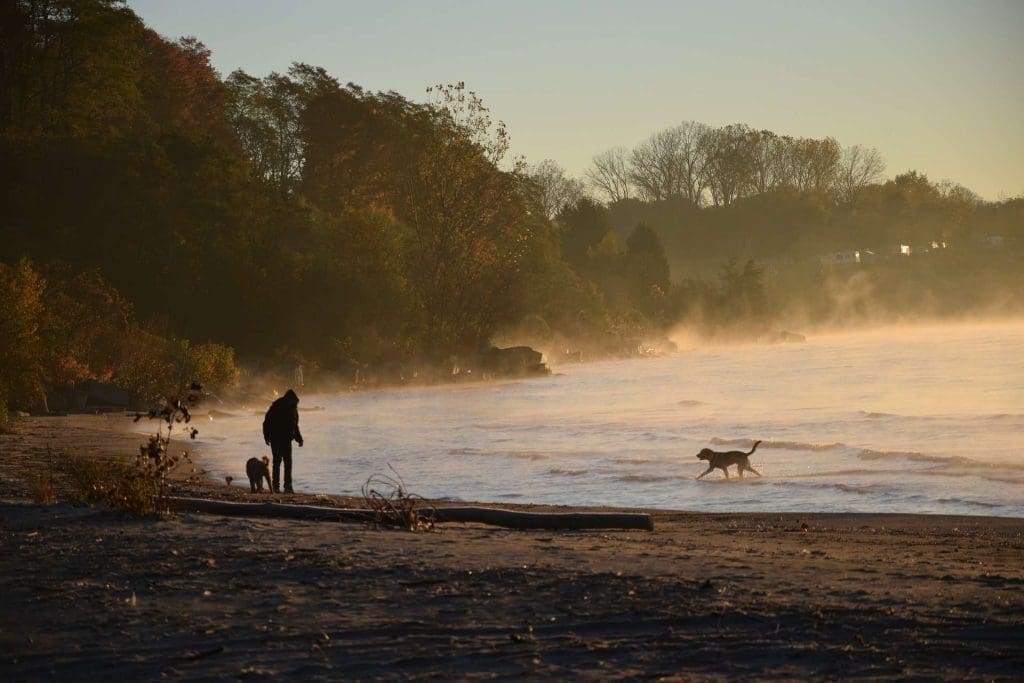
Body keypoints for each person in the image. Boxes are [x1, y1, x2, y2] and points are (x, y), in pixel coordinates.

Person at [262, 389, 303, 493]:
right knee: (278, 462)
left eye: (295, 403)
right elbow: (267, 421)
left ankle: (287, 486)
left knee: (287, 463)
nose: (295, 405)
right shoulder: (277, 405)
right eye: (294, 403)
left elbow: (295, 425)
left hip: (286, 439)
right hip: (276, 438)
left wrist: (299, 439)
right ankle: (276, 487)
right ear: (289, 400)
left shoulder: (293, 408)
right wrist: (266, 436)